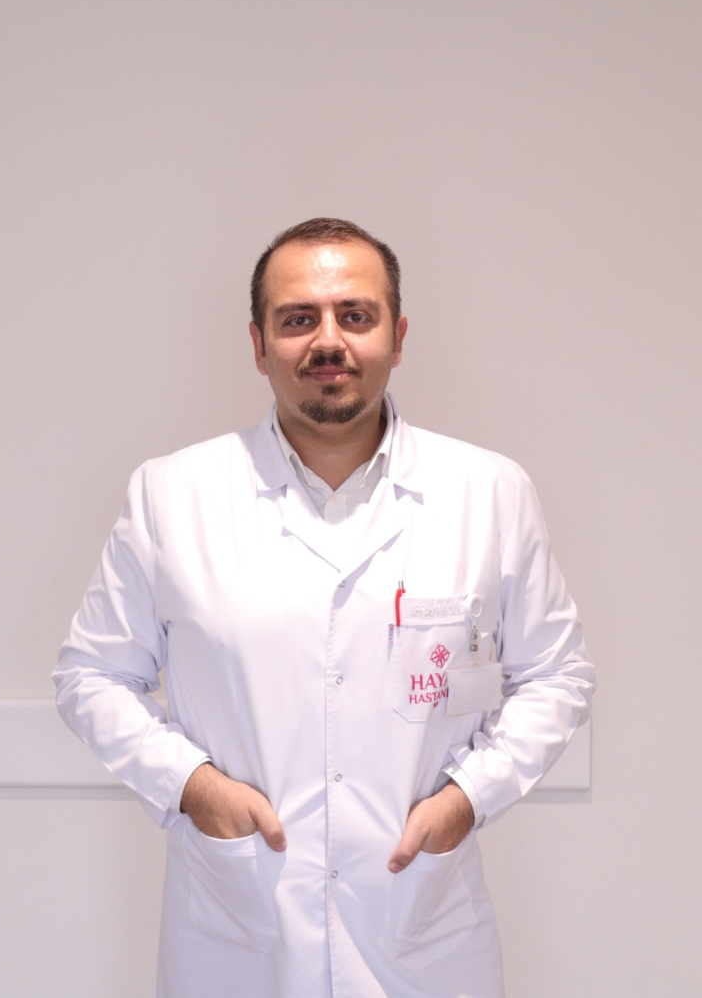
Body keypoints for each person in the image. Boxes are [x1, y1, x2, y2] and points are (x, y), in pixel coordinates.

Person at [53, 217, 595, 998]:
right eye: (298, 318)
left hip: (423, 934)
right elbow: (89, 674)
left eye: (356, 315)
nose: (328, 340)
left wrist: (470, 796)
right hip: (240, 938)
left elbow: (559, 675)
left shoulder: (488, 493)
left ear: (397, 337)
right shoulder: (173, 495)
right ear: (258, 343)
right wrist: (192, 785)